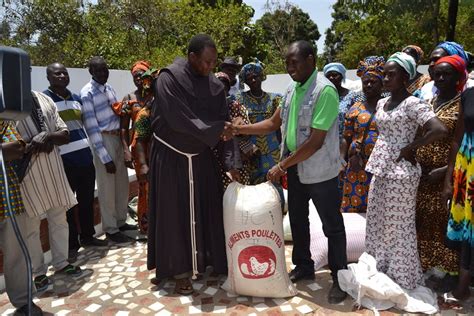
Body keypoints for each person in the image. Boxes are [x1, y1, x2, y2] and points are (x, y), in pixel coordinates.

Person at [233, 40, 348, 304]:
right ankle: (304, 266)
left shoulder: (325, 91)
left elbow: (316, 141)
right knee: (297, 218)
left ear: (311, 59)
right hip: (296, 168)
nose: (289, 68)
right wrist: (240, 129)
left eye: (294, 62)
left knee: (332, 226)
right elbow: (274, 122)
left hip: (320, 172)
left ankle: (340, 278)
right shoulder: (291, 89)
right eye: (287, 63)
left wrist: (281, 165)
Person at [147, 34, 233, 295]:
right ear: (192, 56)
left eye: (213, 62)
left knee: (208, 211)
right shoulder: (167, 79)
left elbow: (224, 123)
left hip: (201, 159)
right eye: (206, 62)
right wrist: (217, 129)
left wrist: (231, 160)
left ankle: (207, 261)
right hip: (171, 158)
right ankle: (179, 270)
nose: (210, 68)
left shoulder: (216, 87)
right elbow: (177, 118)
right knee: (174, 216)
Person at [364, 52, 447, 290]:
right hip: (380, 167)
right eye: (385, 74)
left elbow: (438, 129)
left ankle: (402, 277)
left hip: (402, 173)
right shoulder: (382, 102)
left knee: (398, 226)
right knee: (377, 221)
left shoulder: (413, 103)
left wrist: (411, 147)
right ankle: (381, 270)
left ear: (405, 77)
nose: (386, 79)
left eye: (392, 74)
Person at [18, 91, 82, 292]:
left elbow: (64, 134)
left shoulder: (44, 99)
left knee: (59, 220)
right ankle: (38, 272)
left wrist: (47, 136)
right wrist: (31, 143)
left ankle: (61, 263)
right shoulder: (7, 104)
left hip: (54, 171)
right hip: (27, 176)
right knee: (31, 228)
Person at [43, 63, 107, 263]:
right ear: (49, 77)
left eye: (65, 73)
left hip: (85, 158)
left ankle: (88, 237)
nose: (62, 76)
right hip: (64, 161)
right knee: (68, 205)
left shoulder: (77, 99)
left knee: (86, 201)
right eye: (57, 73)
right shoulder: (45, 101)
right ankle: (72, 245)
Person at [416, 55, 467, 285]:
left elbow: (462, 144)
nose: (441, 78)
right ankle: (425, 266)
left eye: (447, 74)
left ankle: (448, 271)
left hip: (447, 175)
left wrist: (446, 171)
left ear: (458, 77)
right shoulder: (426, 103)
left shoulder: (462, 105)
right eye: (437, 74)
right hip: (422, 175)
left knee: (444, 224)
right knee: (423, 222)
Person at [81, 56, 134, 244]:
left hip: (117, 138)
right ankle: (111, 228)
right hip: (103, 140)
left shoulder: (109, 88)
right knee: (107, 188)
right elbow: (91, 127)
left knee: (121, 184)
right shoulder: (87, 93)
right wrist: (104, 157)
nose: (103, 73)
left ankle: (120, 221)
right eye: (98, 70)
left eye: (105, 69)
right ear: (91, 72)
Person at [0, 120, 43, 315]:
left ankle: (24, 301)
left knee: (16, 254)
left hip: (8, 199)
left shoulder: (3, 119)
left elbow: (16, 148)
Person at [112, 60, 155, 234]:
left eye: (142, 75)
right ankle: (146, 224)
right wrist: (125, 150)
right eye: (135, 76)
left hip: (157, 146)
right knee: (144, 185)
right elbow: (123, 128)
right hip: (139, 149)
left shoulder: (155, 96)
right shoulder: (129, 99)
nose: (139, 79)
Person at [340, 56, 385, 213]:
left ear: (382, 84)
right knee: (355, 208)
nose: (369, 85)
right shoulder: (355, 108)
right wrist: (341, 160)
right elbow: (346, 137)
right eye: (365, 82)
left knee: (379, 208)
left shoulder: (389, 107)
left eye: (373, 82)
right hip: (356, 166)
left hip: (381, 167)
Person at [442, 87, 474, 302]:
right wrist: (449, 177)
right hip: (467, 168)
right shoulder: (469, 94)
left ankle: (463, 287)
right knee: (468, 228)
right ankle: (463, 286)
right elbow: (457, 136)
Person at [237, 60, 282, 187]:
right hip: (252, 152)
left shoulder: (275, 99)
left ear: (261, 77)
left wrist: (280, 148)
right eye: (249, 78)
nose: (253, 80)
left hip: (273, 152)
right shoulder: (239, 99)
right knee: (255, 193)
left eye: (255, 77)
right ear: (244, 81)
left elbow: (277, 126)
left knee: (274, 187)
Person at [215, 71, 251, 189]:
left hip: (237, 157)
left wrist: (236, 129)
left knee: (239, 193)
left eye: (224, 88)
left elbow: (247, 130)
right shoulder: (209, 108)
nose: (221, 91)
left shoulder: (236, 106)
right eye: (217, 87)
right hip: (216, 158)